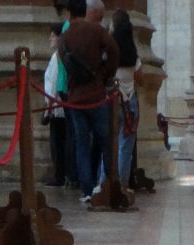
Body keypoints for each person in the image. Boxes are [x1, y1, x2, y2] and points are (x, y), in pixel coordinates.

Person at [60, 0, 114, 202]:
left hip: (76, 98)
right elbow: (114, 50)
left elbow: (65, 64)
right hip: (96, 95)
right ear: (86, 11)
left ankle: (87, 190)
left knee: (82, 144)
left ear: (69, 13)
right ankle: (110, 185)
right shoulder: (96, 31)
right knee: (105, 141)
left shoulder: (64, 37)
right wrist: (106, 74)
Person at [110, 8, 139, 188]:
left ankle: (104, 185)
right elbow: (141, 77)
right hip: (130, 102)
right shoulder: (133, 52)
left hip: (111, 101)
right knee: (125, 148)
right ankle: (121, 187)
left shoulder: (109, 49)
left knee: (108, 145)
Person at [44, 23, 68, 186]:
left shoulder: (56, 57)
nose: (50, 38)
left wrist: (48, 109)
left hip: (57, 108)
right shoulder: (59, 56)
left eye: (53, 35)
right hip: (61, 106)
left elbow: (53, 84)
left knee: (57, 145)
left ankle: (59, 175)